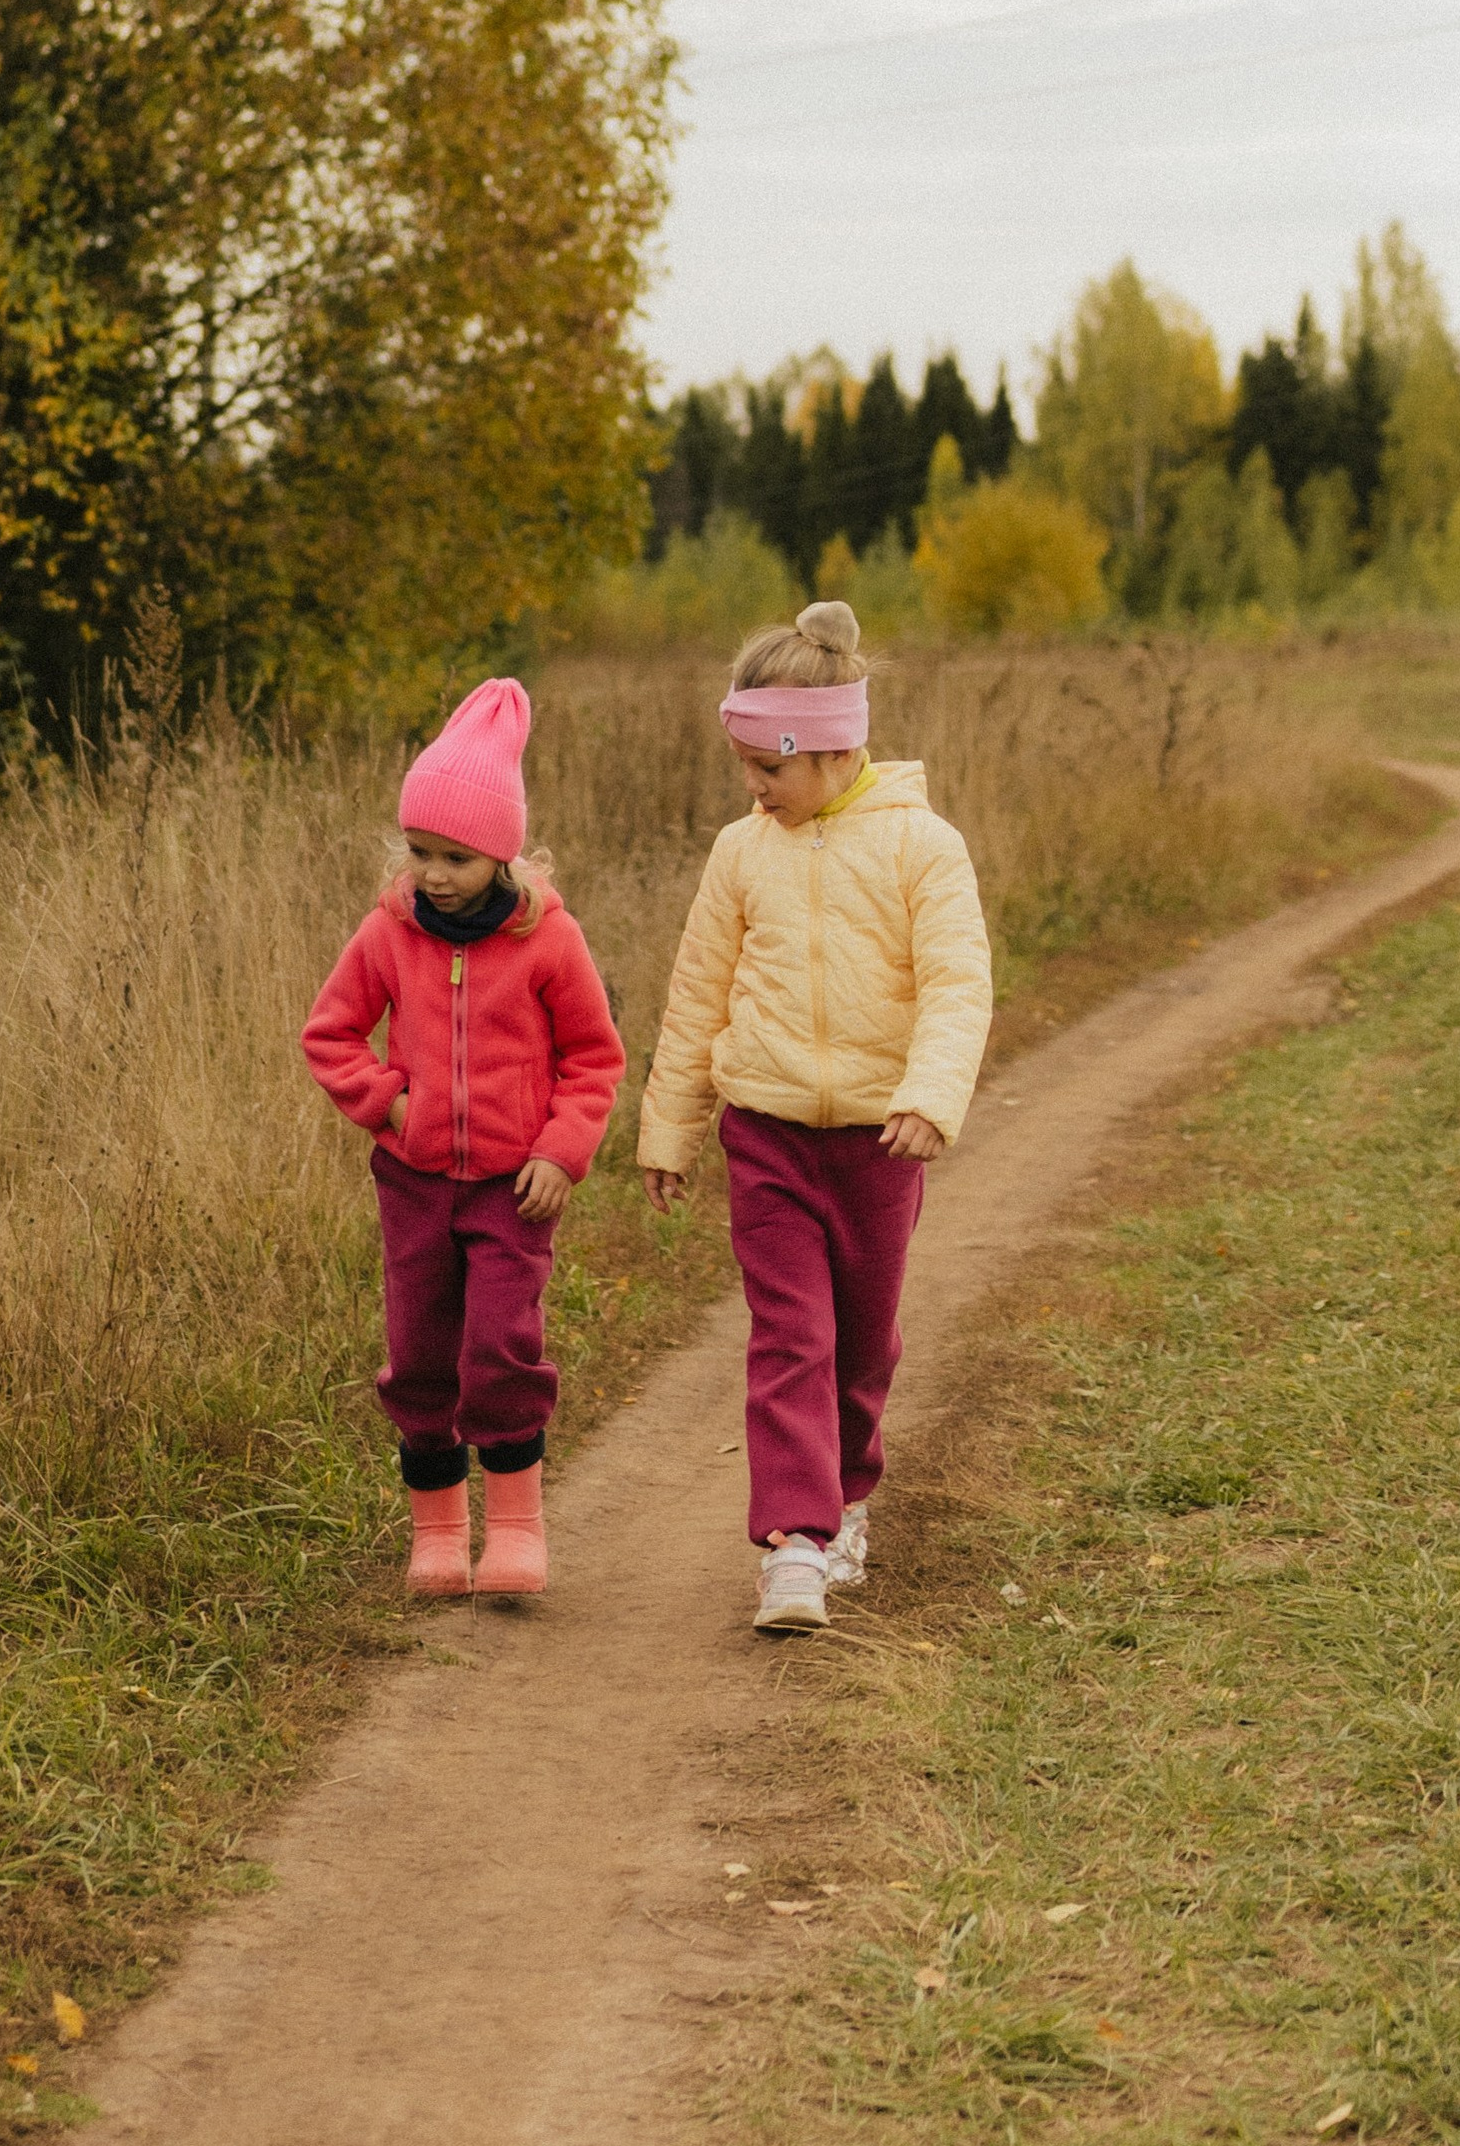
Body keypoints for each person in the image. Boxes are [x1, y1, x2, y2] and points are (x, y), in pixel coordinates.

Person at [640, 601, 993, 1635]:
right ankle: (792, 1543)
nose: (751, 785)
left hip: (881, 1143)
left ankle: (844, 1501)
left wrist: (930, 1096)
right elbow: (696, 994)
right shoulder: (739, 854)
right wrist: (670, 1128)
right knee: (790, 1333)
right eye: (742, 764)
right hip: (768, 1129)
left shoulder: (923, 849)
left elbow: (957, 984)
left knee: (862, 1340)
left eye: (767, 766)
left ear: (830, 746)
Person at [300, 676, 624, 1600]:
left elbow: (594, 1058)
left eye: (455, 856)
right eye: (419, 852)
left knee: (500, 1346)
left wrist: (562, 1150)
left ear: (502, 855)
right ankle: (439, 1532)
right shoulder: (388, 933)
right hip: (413, 1184)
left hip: (512, 1188)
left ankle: (516, 1526)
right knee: (423, 1353)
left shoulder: (547, 942)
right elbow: (329, 1033)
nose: (432, 874)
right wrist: (388, 1103)